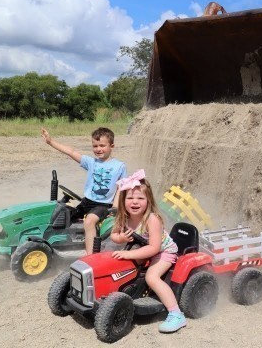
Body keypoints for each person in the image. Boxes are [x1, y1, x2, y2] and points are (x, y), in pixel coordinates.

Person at [110, 169, 187, 334]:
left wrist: (130, 254)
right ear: (123, 200)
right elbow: (113, 235)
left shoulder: (152, 219)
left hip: (163, 252)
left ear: (148, 200)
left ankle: (176, 314)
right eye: (130, 198)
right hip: (143, 249)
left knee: (152, 277)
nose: (135, 202)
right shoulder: (124, 217)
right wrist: (121, 238)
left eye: (140, 198)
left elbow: (154, 248)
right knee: (121, 267)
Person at [41, 127, 126, 255]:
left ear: (111, 145)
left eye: (102, 145)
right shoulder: (91, 162)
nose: (98, 149)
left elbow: (122, 187)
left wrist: (115, 207)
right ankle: (55, 245)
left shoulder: (119, 166)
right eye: (95, 146)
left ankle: (90, 255)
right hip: (86, 202)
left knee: (90, 221)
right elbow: (71, 151)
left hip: (103, 205)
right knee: (61, 214)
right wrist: (50, 141)